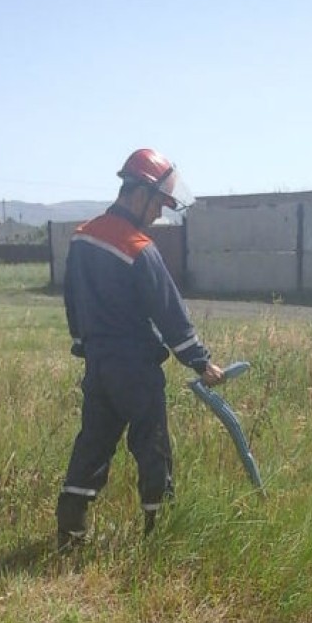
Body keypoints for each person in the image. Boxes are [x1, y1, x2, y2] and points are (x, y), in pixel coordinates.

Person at [56, 148, 224, 550]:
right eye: (159, 205)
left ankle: (68, 537)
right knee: (153, 451)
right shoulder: (138, 248)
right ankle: (159, 538)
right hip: (136, 371)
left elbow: (72, 300)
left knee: (91, 447)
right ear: (138, 194)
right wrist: (201, 362)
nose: (159, 214)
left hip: (98, 367)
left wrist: (84, 345)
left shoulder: (82, 237)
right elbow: (170, 314)